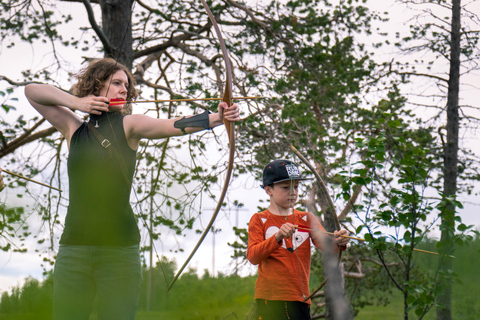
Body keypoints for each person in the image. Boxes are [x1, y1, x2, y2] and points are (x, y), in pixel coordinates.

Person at [24, 58, 240, 320]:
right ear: (96, 84)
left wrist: (217, 117)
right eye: (116, 83)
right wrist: (77, 103)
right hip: (74, 250)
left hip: (119, 252)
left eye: (126, 85)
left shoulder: (129, 125)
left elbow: (173, 125)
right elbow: (31, 92)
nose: (124, 89)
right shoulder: (74, 129)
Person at [247, 159, 350, 320]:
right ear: (268, 190)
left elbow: (329, 247)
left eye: (296, 187)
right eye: (286, 187)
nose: (293, 192)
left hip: (300, 299)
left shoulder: (306, 218)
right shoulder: (259, 220)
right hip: (270, 299)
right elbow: (253, 256)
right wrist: (278, 236)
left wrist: (339, 241)